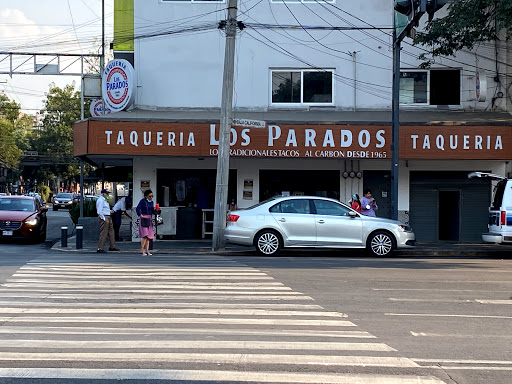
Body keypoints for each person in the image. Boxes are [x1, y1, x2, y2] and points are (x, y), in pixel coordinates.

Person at [96, 188, 119, 253]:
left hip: (108, 216)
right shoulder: (100, 200)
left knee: (111, 232)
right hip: (104, 217)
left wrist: (110, 211)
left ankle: (112, 246)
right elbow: (99, 211)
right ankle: (100, 248)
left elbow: (104, 209)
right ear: (103, 194)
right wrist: (104, 219)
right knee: (104, 233)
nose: (107, 194)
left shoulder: (104, 200)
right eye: (106, 193)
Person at [136, 189, 155, 256]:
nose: (151, 197)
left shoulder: (151, 202)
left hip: (149, 218)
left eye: (152, 196)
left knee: (148, 236)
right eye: (150, 196)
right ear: (146, 196)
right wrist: (140, 215)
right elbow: (137, 208)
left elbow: (152, 210)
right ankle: (141, 249)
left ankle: (147, 250)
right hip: (144, 218)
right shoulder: (142, 201)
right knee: (145, 235)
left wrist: (156, 211)